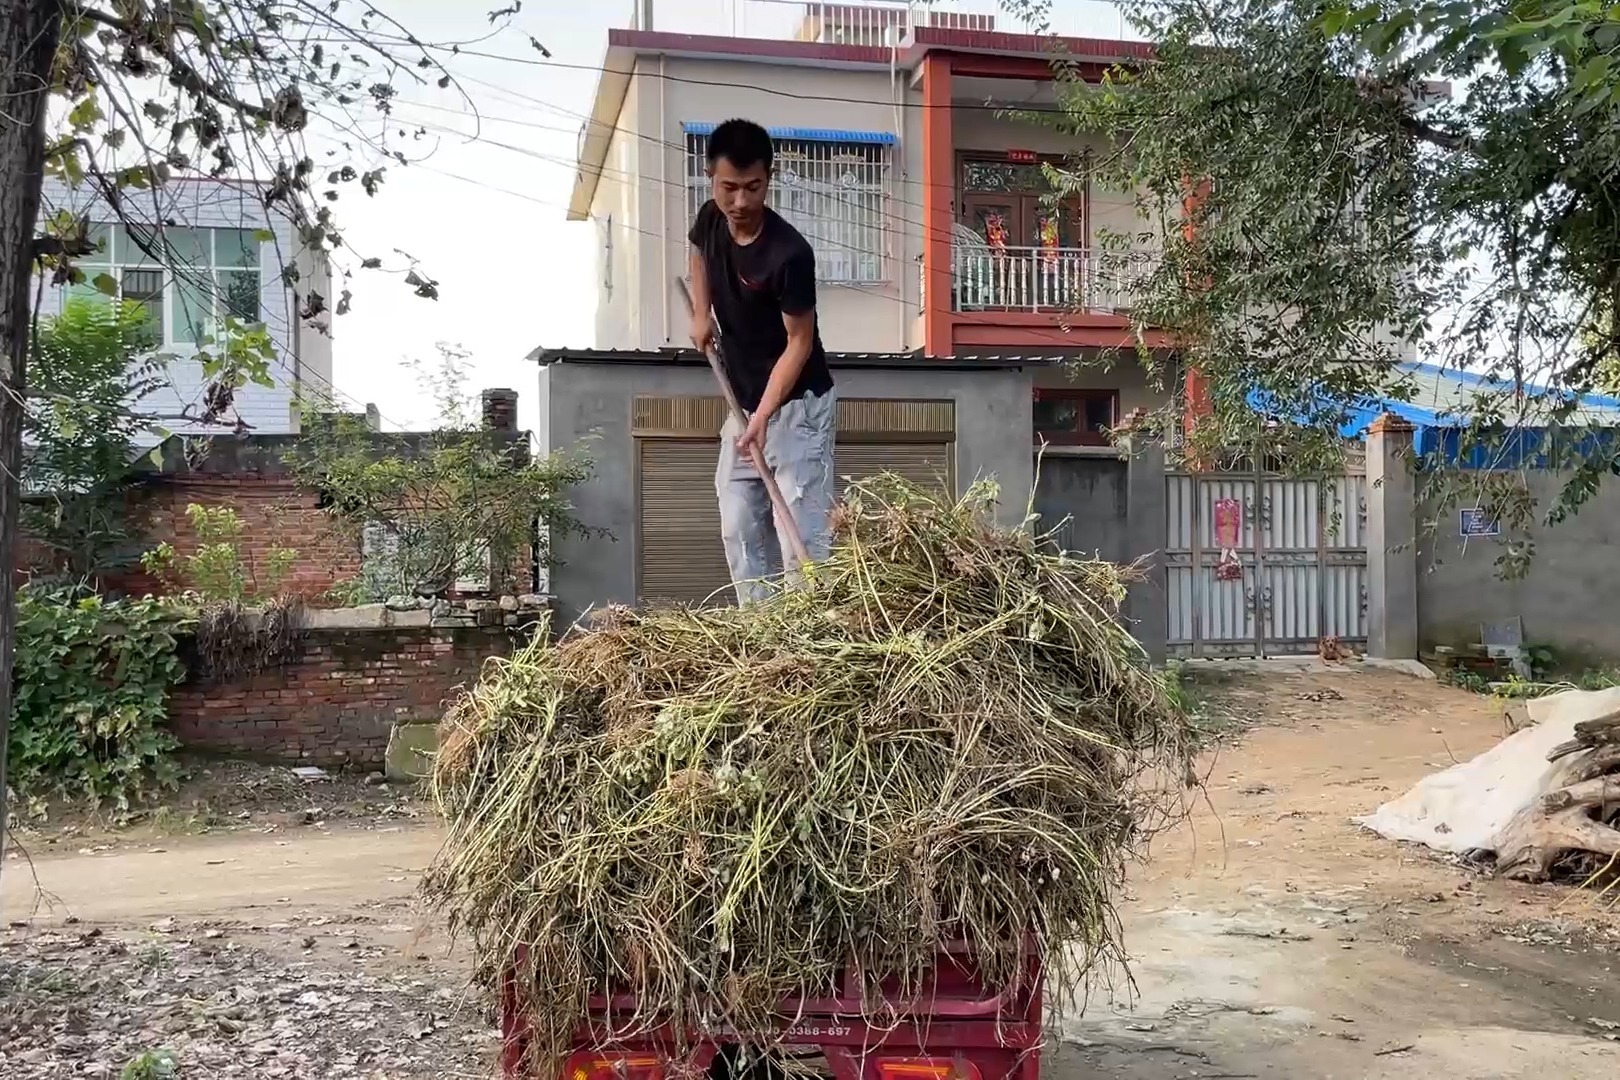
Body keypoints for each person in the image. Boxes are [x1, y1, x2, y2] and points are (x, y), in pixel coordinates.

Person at [687, 118, 836, 603]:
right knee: (738, 525)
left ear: (769, 178)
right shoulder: (711, 217)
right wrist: (700, 312)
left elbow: (800, 342)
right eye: (729, 187)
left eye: (753, 188)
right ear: (711, 177)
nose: (741, 202)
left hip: (796, 407)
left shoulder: (789, 254)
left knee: (800, 535)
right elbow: (698, 250)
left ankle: (809, 636)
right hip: (744, 404)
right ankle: (760, 636)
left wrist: (766, 416)